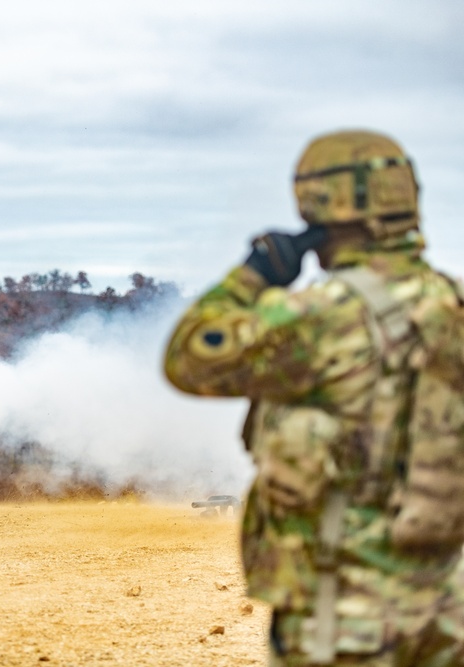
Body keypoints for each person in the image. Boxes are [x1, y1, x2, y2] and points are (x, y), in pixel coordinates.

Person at [164, 130, 464, 665]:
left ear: (319, 204)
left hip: (346, 621)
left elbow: (190, 357)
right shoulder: (451, 305)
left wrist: (254, 275)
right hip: (447, 614)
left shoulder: (324, 316)